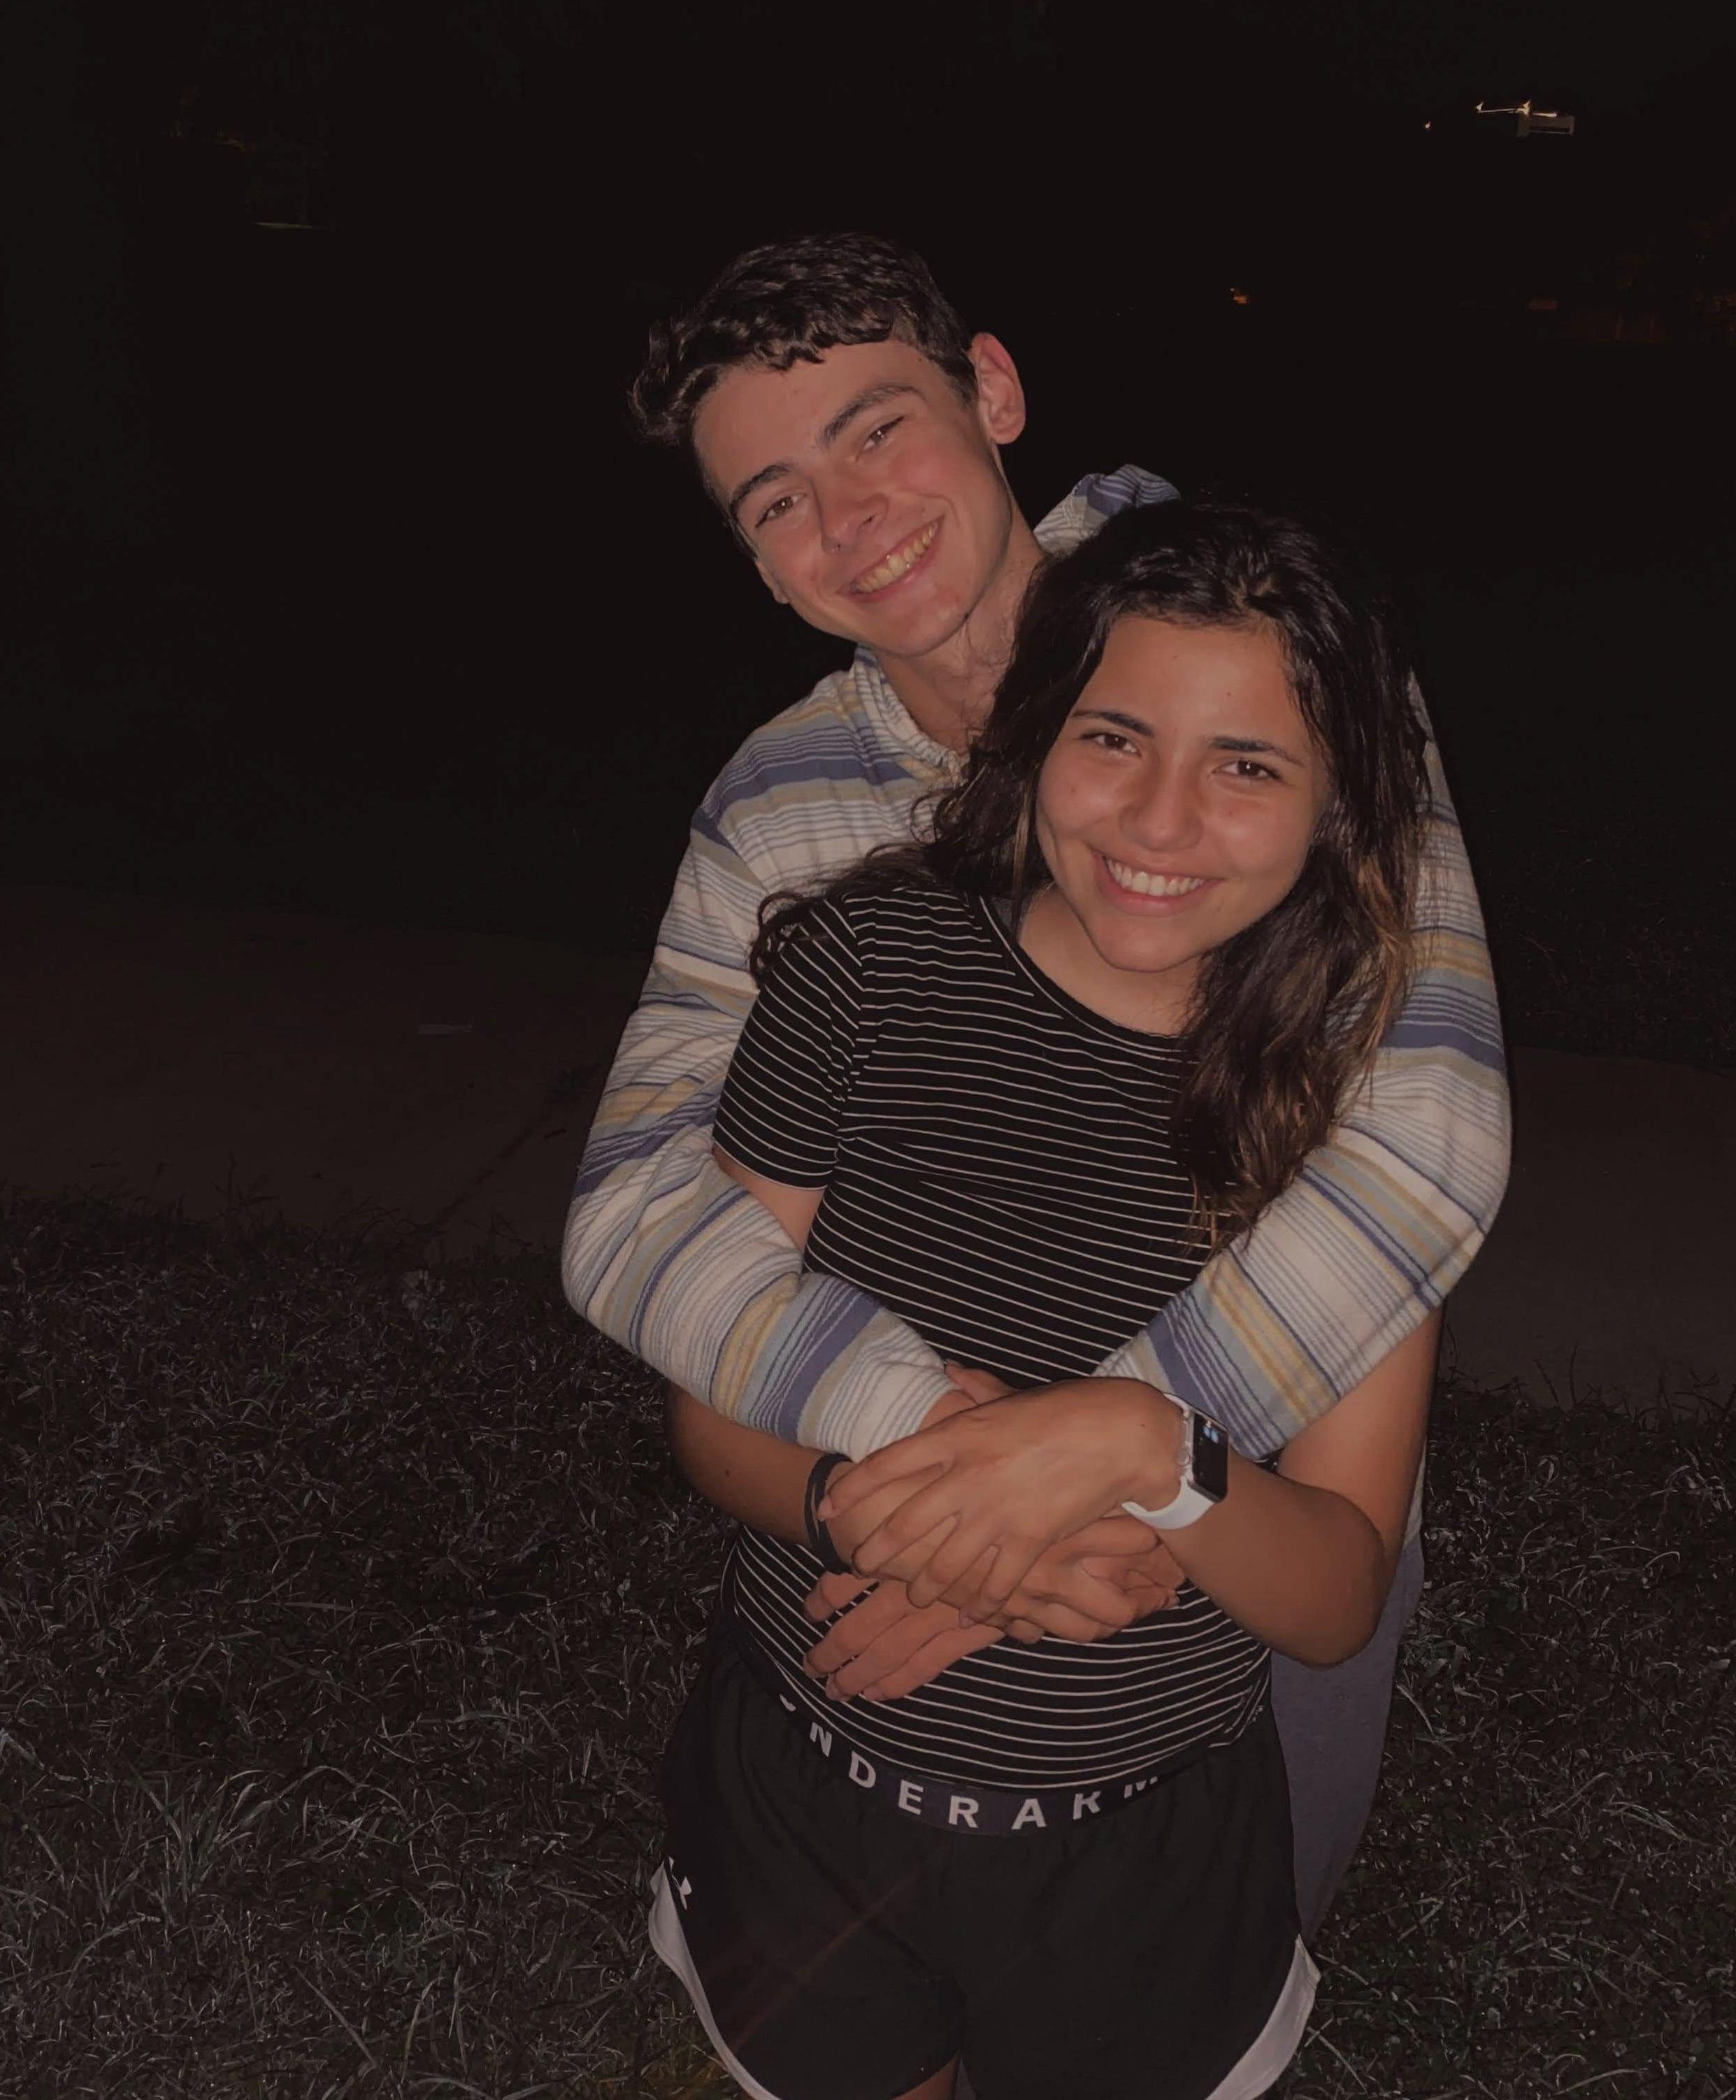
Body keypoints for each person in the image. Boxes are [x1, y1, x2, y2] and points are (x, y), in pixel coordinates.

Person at [562, 232, 1510, 1936]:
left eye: (876, 428)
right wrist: (938, 1456)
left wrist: (1082, 1478)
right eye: (775, 499)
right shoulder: (778, 808)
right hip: (921, 1437)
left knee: (1238, 1882)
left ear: (991, 391)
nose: (849, 517)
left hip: (1283, 1403)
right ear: (756, 562)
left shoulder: (1248, 628)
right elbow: (640, 1208)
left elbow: (1423, 1133)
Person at [653, 497, 1446, 2100]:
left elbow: (1331, 1590)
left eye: (1245, 765)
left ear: (1332, 802)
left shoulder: (1359, 1115)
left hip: (1136, 1846)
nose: (1158, 818)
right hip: (803, 1793)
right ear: (1035, 735)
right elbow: (709, 1404)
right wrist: (918, 1519)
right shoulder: (858, 968)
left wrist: (1141, 1452)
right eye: (1114, 737)